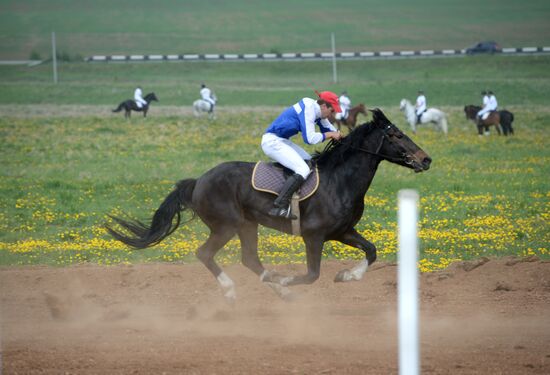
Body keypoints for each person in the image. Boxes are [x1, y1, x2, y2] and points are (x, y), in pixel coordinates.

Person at [261, 91, 343, 219]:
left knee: (310, 161)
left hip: (282, 140)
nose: (332, 115)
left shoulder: (319, 112)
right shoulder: (309, 108)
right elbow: (309, 139)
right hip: (272, 142)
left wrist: (342, 137)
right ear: (324, 106)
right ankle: (279, 207)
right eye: (332, 111)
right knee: (303, 169)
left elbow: (330, 129)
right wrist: (331, 135)